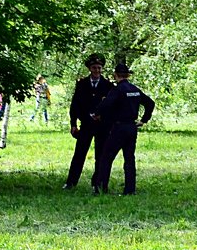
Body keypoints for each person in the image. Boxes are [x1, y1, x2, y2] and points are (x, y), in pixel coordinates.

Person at [91, 63, 154, 195]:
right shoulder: (134, 89)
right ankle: (130, 189)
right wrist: (144, 120)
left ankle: (101, 188)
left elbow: (106, 103)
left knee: (106, 158)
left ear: (115, 75)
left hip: (119, 127)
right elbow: (150, 103)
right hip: (132, 127)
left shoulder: (118, 90)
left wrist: (96, 113)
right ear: (127, 75)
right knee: (129, 159)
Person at [63, 54, 111, 190]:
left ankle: (97, 183)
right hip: (86, 125)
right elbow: (75, 105)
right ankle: (71, 182)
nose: (97, 71)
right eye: (94, 68)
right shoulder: (82, 84)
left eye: (99, 68)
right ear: (89, 69)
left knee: (100, 155)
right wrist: (73, 124)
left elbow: (111, 106)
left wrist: (105, 118)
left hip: (101, 126)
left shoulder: (108, 85)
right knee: (79, 154)